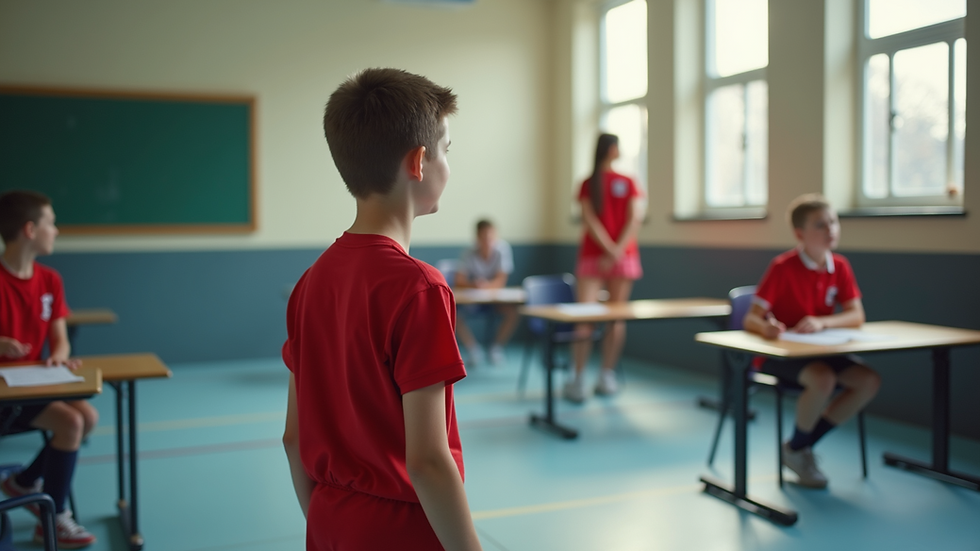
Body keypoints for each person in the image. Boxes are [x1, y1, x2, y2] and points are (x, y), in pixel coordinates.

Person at [281, 68, 482, 551]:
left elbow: (293, 439)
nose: (448, 166)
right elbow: (429, 461)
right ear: (418, 162)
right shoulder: (420, 288)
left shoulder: (310, 283)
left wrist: (332, 522)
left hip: (329, 522)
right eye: (446, 151)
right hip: (404, 532)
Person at [743, 193, 882, 489]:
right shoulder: (782, 267)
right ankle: (800, 449)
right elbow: (750, 319)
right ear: (800, 234)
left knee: (868, 380)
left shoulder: (840, 266)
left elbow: (856, 315)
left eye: (833, 221)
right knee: (823, 380)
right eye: (820, 224)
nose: (830, 229)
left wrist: (824, 322)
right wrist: (766, 328)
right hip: (782, 355)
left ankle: (797, 446)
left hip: (822, 350)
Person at [0, 190, 98, 549]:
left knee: (87, 415)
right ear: (29, 229)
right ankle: (52, 518)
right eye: (50, 223)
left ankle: (24, 483)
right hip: (4, 397)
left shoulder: (50, 280)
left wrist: (59, 356)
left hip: (33, 387)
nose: (56, 230)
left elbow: (60, 338)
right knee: (71, 422)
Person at [564, 133, 644, 403]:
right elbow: (589, 219)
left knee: (615, 317)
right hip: (597, 256)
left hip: (618, 255)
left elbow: (633, 219)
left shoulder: (628, 181)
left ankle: (605, 375)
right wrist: (613, 251)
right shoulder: (588, 184)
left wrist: (614, 251)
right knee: (585, 317)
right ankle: (578, 377)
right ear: (611, 150)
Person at [454, 219, 519, 365]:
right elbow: (459, 280)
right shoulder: (468, 253)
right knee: (454, 315)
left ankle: (496, 348)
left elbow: (501, 279)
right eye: (483, 237)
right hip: (474, 302)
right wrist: (473, 285)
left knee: (512, 312)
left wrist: (486, 286)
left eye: (490, 236)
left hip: (495, 301)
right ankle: (473, 350)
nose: (487, 241)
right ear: (477, 237)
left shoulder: (503, 249)